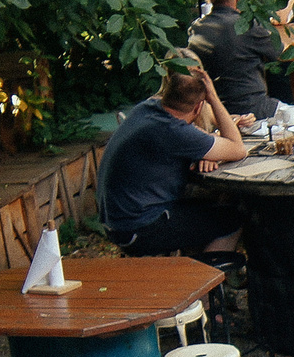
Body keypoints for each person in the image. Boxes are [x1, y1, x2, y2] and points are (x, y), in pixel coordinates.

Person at [96, 55, 249, 258]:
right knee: (234, 219)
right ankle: (202, 286)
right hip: (139, 226)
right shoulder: (173, 130)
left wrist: (206, 151)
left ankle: (194, 271)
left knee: (214, 205)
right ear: (198, 106)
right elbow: (238, 149)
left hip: (120, 219)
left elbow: (200, 139)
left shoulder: (147, 108)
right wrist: (213, 96)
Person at [187, 0, 294, 123]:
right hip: (253, 108)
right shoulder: (245, 26)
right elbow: (281, 52)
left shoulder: (197, 28)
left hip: (216, 112)